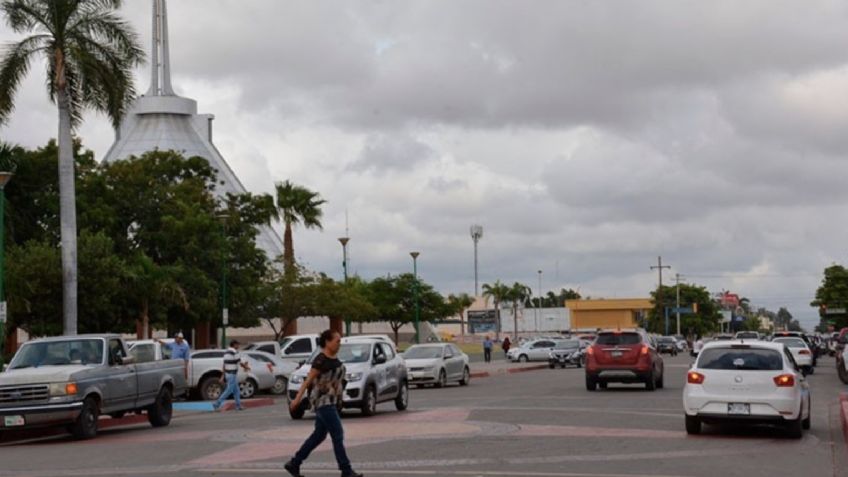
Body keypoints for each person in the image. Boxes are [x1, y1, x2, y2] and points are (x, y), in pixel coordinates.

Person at [285, 330, 363, 477]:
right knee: (337, 434)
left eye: (340, 341)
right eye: (337, 341)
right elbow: (308, 380)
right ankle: (346, 470)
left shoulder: (334, 357)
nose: (339, 344)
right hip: (323, 401)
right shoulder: (320, 360)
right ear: (327, 342)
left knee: (318, 436)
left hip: (332, 401)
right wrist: (296, 400)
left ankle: (294, 463)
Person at [213, 340, 250, 411]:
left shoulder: (226, 352)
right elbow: (239, 362)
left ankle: (238, 406)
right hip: (232, 374)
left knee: (236, 391)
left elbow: (224, 364)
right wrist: (246, 367)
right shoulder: (234, 352)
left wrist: (222, 375)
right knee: (229, 390)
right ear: (234, 345)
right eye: (238, 345)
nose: (238, 346)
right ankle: (217, 404)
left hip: (228, 374)